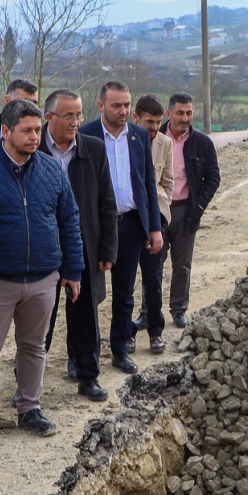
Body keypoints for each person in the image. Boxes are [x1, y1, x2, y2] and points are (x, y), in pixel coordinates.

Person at [0, 98, 82, 438]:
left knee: (34, 347)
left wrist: (73, 269)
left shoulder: (51, 169)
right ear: (6, 131)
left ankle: (30, 408)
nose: (34, 137)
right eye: (27, 130)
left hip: (43, 276)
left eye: (38, 130)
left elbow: (69, 219)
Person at [80, 81, 162, 373]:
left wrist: (154, 226)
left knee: (125, 293)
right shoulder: (85, 135)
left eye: (127, 104)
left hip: (130, 224)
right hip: (95, 227)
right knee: (87, 295)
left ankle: (120, 349)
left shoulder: (139, 136)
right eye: (117, 105)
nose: (123, 110)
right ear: (101, 105)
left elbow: (148, 184)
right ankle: (81, 357)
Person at [40, 88, 116, 401]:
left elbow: (106, 201)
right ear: (49, 117)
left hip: (83, 245)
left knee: (85, 315)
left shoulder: (93, 148)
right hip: (42, 247)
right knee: (40, 319)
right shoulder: (33, 147)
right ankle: (28, 383)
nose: (75, 121)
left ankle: (88, 376)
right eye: (68, 115)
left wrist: (107, 248)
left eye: (79, 115)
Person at [160, 93, 222, 328]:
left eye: (189, 113)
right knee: (153, 266)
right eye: (180, 113)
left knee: (182, 265)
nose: (185, 118)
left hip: (186, 211)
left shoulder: (202, 143)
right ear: (169, 113)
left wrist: (198, 206)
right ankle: (149, 311)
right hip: (159, 211)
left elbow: (213, 177)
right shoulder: (153, 138)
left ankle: (178, 310)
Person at [132, 93, 170, 350]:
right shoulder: (125, 140)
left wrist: (159, 218)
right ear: (136, 118)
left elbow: (167, 183)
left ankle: (156, 331)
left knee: (153, 280)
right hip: (128, 219)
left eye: (158, 122)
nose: (155, 127)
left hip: (155, 220)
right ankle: (127, 333)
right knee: (124, 285)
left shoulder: (165, 143)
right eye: (149, 122)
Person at [0, 78, 38, 150]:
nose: (31, 109)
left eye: (34, 104)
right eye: (24, 103)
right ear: (7, 101)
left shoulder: (38, 139)